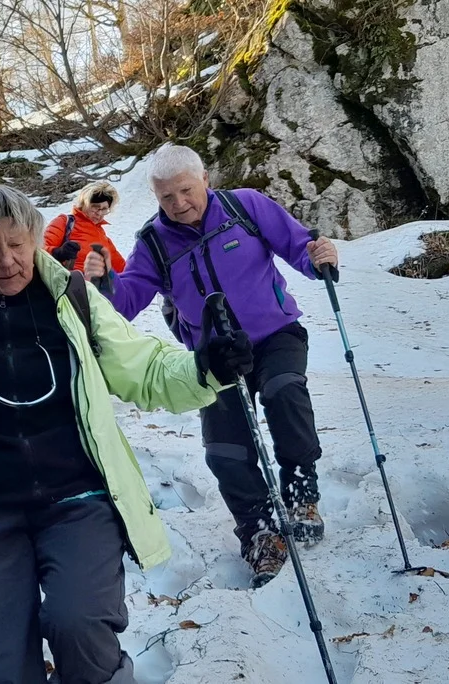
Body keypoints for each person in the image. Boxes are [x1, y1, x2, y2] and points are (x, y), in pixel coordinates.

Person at [0, 184, 252, 683]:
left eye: (17, 244)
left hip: (78, 498)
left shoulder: (71, 298)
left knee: (80, 622)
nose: (7, 261)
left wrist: (205, 368)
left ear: (35, 238)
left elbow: (144, 368)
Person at [87, 142, 340, 586]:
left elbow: (299, 245)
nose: (179, 203)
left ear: (205, 179)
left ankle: (301, 492)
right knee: (224, 450)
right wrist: (104, 280)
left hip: (276, 334)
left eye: (186, 190)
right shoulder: (154, 242)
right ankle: (259, 531)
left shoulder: (246, 206)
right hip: (216, 356)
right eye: (167, 197)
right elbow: (126, 302)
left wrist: (318, 258)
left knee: (284, 392)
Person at [44, 181, 126, 276]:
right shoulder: (65, 222)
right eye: (95, 207)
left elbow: (124, 269)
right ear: (83, 204)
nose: (99, 213)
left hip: (96, 284)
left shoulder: (103, 238)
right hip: (68, 281)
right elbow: (38, 250)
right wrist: (58, 253)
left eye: (104, 209)